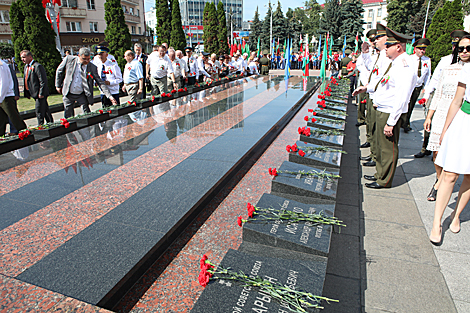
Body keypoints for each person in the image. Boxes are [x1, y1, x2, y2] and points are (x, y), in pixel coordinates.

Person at [354, 27, 417, 189]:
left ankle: (384, 180)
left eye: (388, 45)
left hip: (390, 111)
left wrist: (392, 121)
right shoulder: (395, 62)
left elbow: (402, 96)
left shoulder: (404, 65)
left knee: (388, 148)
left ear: (398, 47)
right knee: (382, 145)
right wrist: (366, 88)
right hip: (383, 107)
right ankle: (380, 174)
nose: (385, 48)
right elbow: (382, 81)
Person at [429, 53, 470, 245]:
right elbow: (456, 101)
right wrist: (445, 130)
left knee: (469, 175)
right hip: (464, 123)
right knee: (450, 174)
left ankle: (456, 215)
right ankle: (437, 222)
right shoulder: (467, 69)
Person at [423, 35, 470, 202]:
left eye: (467, 48)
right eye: (460, 48)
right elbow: (438, 91)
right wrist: (430, 115)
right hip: (443, 112)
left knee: (455, 153)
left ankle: (442, 183)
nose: (464, 51)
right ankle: (439, 177)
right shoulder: (447, 66)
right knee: (436, 151)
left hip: (462, 115)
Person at [415, 30, 469, 158]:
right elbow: (436, 80)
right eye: (458, 47)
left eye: (465, 47)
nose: (461, 50)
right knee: (434, 140)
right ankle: (425, 148)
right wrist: (427, 95)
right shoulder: (446, 61)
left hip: (461, 110)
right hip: (442, 106)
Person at [359, 23, 391, 168]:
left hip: (382, 100)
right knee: (371, 125)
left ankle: (378, 161)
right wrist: (365, 54)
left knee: (379, 134)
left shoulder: (388, 56)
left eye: (378, 38)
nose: (375, 41)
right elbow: (369, 69)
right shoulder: (379, 55)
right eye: (374, 39)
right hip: (373, 95)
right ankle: (373, 154)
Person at [56, 47, 117, 118]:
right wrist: (58, 85)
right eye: (84, 59)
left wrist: (109, 96)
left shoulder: (92, 67)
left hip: (82, 94)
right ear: (79, 56)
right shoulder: (69, 59)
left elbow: (100, 82)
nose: (87, 61)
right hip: (69, 92)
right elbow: (59, 71)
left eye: (89, 59)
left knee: (87, 114)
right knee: (68, 114)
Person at [403, 38, 431, 133]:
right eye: (420, 48)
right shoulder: (410, 58)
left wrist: (426, 88)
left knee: (411, 105)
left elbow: (428, 76)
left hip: (418, 87)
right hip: (408, 86)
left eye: (424, 49)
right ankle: (401, 121)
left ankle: (406, 123)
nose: (422, 51)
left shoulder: (427, 60)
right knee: (405, 103)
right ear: (415, 49)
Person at [20, 50, 54, 125]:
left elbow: (43, 81)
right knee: (45, 109)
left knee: (39, 111)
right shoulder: (26, 67)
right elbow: (26, 80)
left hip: (40, 93)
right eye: (21, 57)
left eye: (24, 57)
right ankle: (51, 123)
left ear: (30, 57)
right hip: (34, 93)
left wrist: (41, 93)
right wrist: (27, 93)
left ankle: (40, 125)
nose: (22, 59)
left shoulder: (37, 66)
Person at [356, 29, 377, 126]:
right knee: (362, 102)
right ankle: (361, 119)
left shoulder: (380, 52)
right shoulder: (366, 52)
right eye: (372, 39)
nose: (374, 42)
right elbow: (360, 65)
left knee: (370, 105)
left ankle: (369, 121)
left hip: (374, 82)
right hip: (364, 80)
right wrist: (366, 78)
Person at [0, 60, 27, 136]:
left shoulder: (1, 65)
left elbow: (4, 83)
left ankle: (24, 133)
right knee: (1, 120)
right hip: (2, 97)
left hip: (5, 96)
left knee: (14, 118)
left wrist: (0, 98)